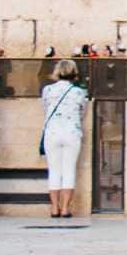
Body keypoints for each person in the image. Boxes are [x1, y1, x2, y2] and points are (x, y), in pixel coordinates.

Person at [40, 59, 90, 218]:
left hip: (52, 133)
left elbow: (45, 108)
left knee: (54, 171)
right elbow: (82, 113)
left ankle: (54, 207)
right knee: (69, 170)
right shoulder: (79, 92)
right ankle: (65, 208)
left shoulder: (47, 90)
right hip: (72, 132)